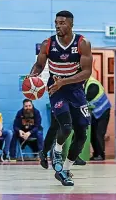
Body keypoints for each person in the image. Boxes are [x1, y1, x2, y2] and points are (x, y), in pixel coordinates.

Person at [29, 10, 92, 186]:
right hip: (55, 88)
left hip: (75, 88)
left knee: (81, 133)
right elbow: (40, 65)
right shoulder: (47, 43)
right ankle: (56, 151)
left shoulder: (82, 43)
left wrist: (64, 81)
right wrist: (32, 76)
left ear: (71, 24)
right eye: (56, 22)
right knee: (65, 125)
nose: (58, 25)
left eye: (62, 23)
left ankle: (65, 170)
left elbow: (87, 72)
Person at [84, 76, 111, 161]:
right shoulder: (86, 83)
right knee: (93, 133)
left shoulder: (93, 83)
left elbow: (88, 97)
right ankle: (96, 153)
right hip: (96, 112)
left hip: (103, 111)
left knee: (99, 133)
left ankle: (100, 154)